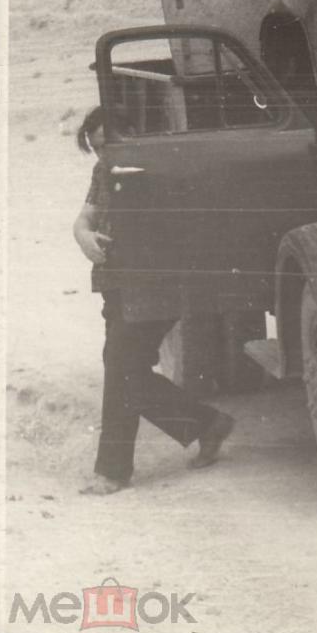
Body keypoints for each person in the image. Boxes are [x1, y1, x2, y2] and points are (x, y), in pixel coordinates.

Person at [74, 107, 235, 495]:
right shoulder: (104, 170)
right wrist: (83, 236)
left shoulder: (162, 166)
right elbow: (85, 218)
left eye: (106, 146)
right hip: (118, 282)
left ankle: (113, 472)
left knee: (121, 367)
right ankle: (205, 424)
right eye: (95, 149)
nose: (102, 156)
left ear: (130, 133)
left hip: (153, 284)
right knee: (123, 368)